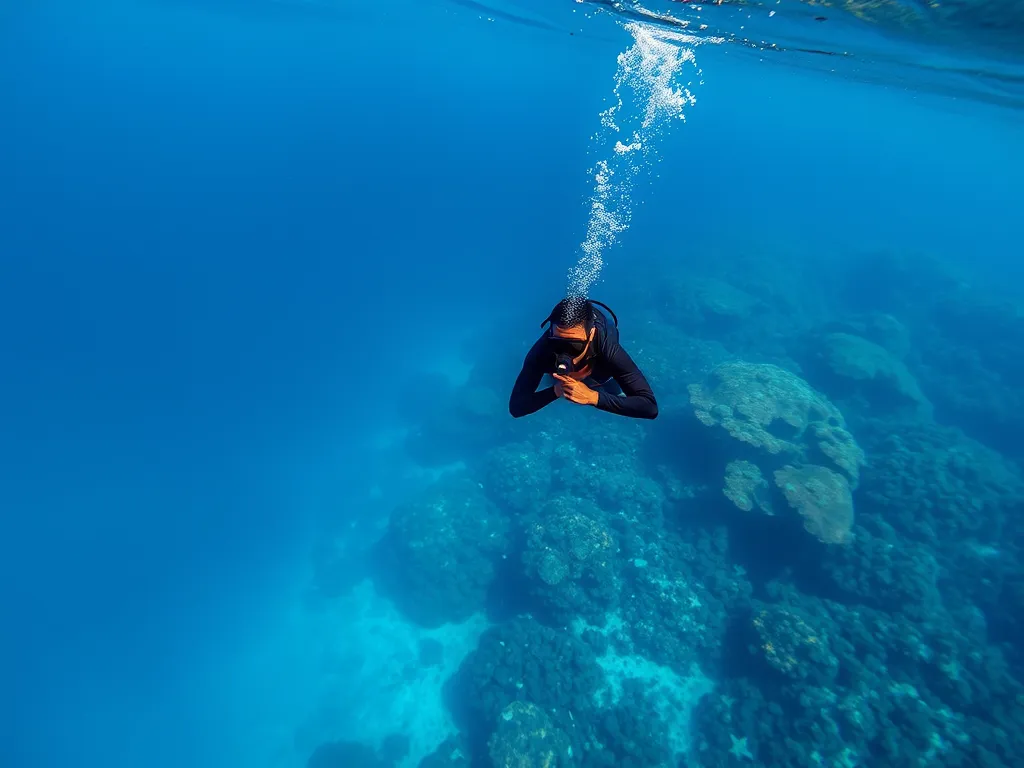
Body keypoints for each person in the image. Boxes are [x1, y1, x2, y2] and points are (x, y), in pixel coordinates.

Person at [508, 296, 658, 419]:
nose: (564, 353)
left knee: (604, 382)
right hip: (564, 370)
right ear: (551, 332)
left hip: (597, 364)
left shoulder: (606, 347)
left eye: (574, 345)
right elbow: (516, 407)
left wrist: (593, 397)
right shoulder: (542, 351)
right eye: (557, 344)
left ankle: (607, 387)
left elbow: (649, 407)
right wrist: (557, 391)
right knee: (553, 376)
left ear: (591, 335)